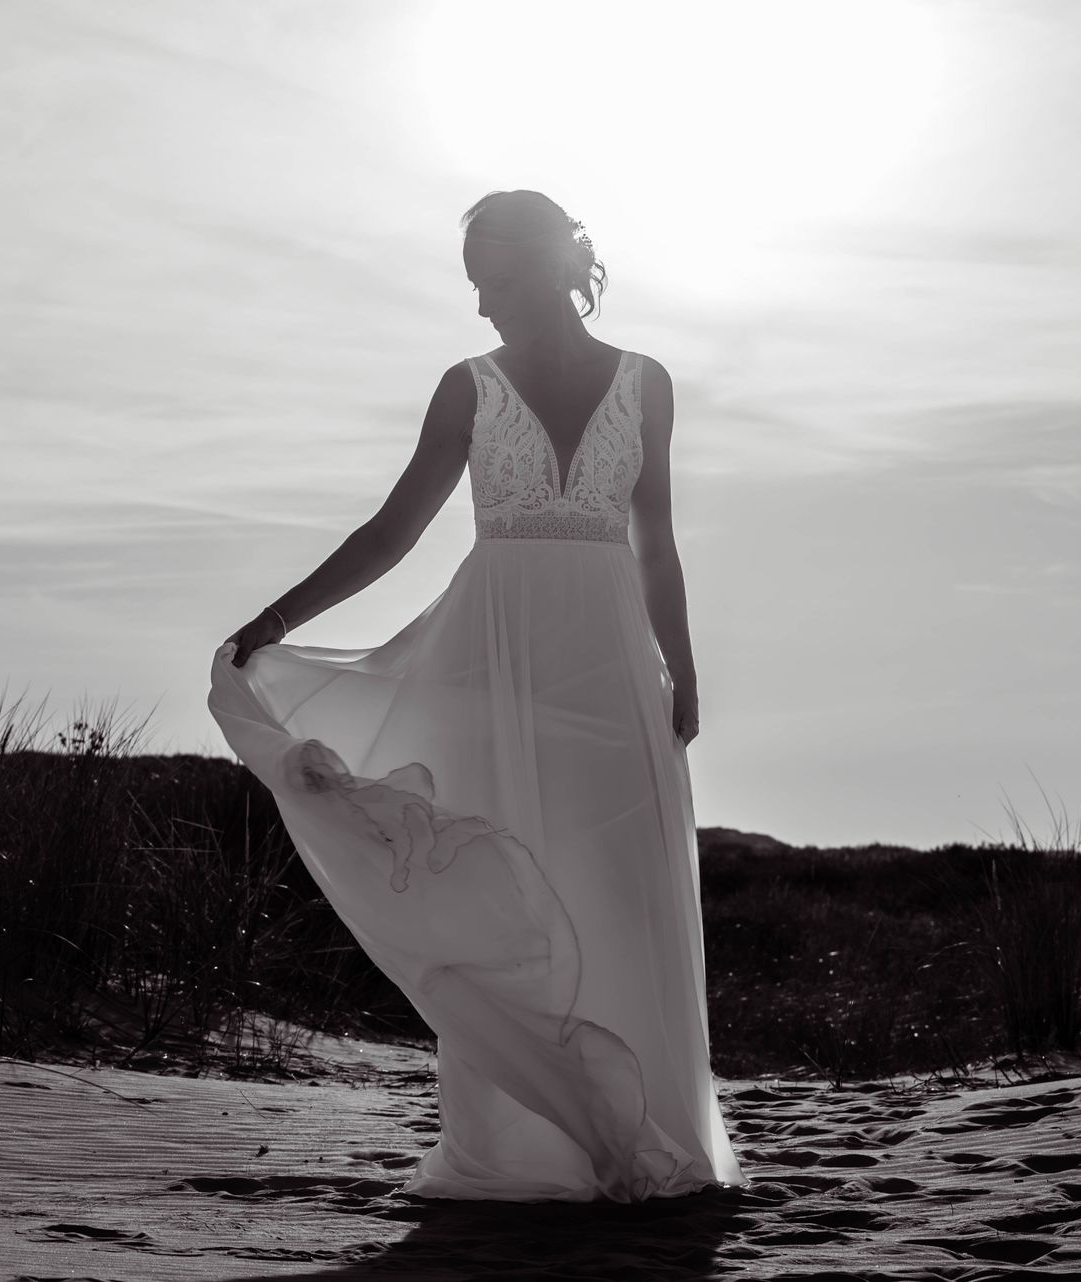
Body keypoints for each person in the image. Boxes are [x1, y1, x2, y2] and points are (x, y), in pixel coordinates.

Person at [206, 189, 746, 1202]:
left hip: (610, 669)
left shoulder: (649, 382)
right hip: (491, 664)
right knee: (504, 887)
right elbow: (393, 530)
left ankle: (646, 1133)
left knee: (621, 889)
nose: (481, 305)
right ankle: (528, 1151)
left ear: (538, 268)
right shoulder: (468, 387)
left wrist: (682, 670)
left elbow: (656, 544)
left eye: (489, 282)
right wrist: (276, 620)